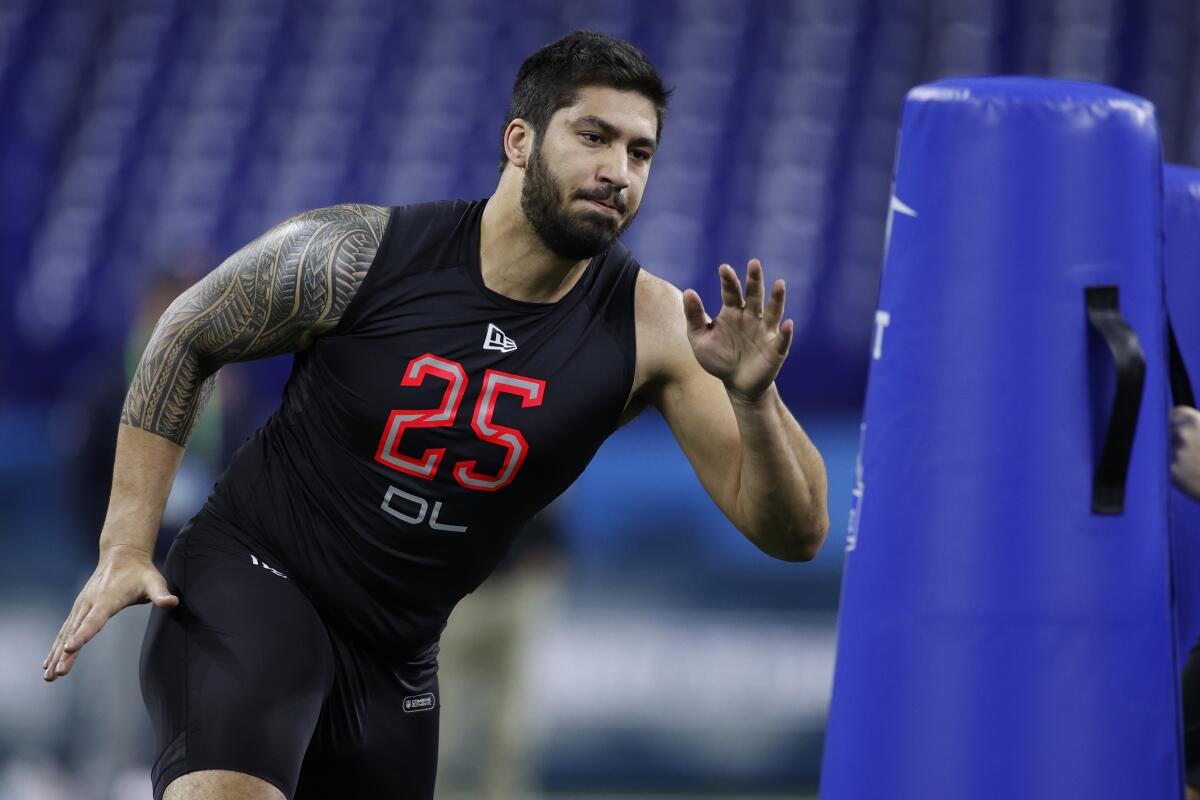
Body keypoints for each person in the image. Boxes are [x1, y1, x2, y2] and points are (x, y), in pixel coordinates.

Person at [40, 31, 830, 800]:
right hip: (257, 577)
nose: (617, 171)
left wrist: (753, 400)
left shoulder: (651, 324)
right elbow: (186, 331)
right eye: (593, 136)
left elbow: (796, 534)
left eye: (639, 152)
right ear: (520, 141)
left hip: (398, 653)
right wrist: (125, 542)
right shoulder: (366, 251)